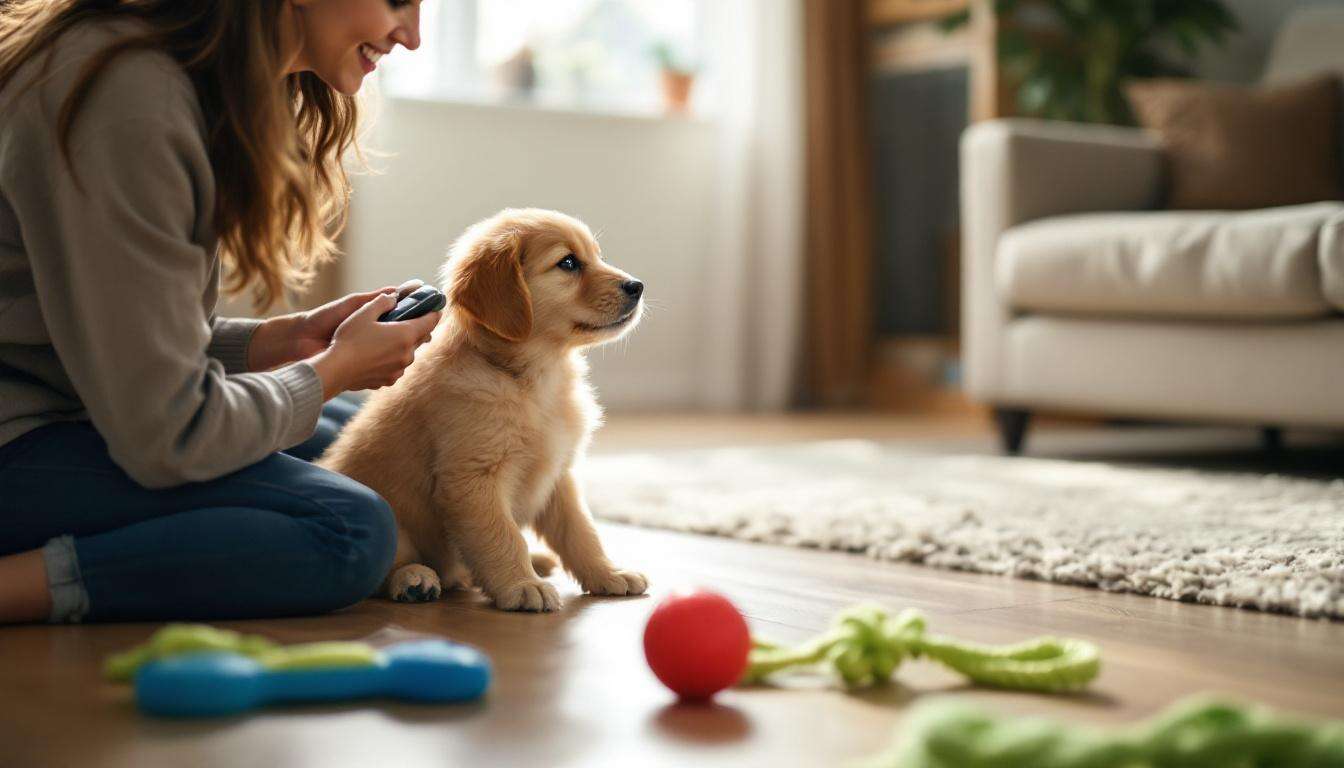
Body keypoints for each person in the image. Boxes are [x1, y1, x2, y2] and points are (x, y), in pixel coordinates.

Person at [0, 0, 439, 624]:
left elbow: (122, 333)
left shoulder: (175, 73)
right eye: (398, 1)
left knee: (368, 431)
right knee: (351, 528)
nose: (413, 37)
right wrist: (332, 368)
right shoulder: (129, 99)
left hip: (69, 404)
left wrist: (286, 343)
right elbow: (168, 435)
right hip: (19, 437)